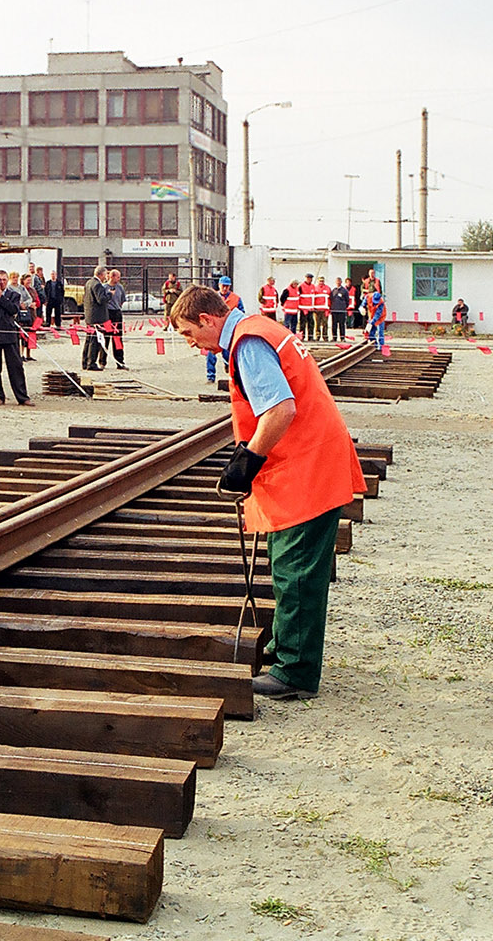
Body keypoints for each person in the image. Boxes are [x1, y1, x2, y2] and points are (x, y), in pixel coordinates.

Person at [169, 285, 365, 700]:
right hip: (309, 460)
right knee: (289, 563)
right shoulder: (260, 329)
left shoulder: (248, 342)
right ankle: (286, 654)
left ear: (207, 319)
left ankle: (294, 672)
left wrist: (247, 461)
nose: (192, 344)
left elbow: (280, 408)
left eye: (189, 334)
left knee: (295, 569)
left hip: (305, 467)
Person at [0, 271, 33, 407]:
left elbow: (13, 310)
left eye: (4, 280)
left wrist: (1, 297)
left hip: (8, 332)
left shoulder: (14, 295)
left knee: (16, 366)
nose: (2, 282)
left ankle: (22, 397)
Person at [204, 277, 245, 383]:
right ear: (219, 285)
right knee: (211, 355)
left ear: (230, 286)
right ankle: (210, 376)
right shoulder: (212, 298)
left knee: (228, 354)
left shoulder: (236, 299)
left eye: (227, 286)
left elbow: (241, 313)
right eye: (223, 286)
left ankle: (229, 368)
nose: (225, 288)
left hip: (229, 331)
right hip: (214, 331)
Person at [81, 265, 111, 372]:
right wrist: (109, 295)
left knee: (88, 340)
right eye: (105, 274)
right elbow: (101, 300)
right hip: (97, 317)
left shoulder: (89, 282)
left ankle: (85, 362)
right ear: (101, 274)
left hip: (90, 315)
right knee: (94, 341)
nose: (106, 277)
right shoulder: (97, 285)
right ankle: (91, 363)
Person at [105, 269, 128, 370]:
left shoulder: (120, 287)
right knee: (105, 337)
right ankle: (102, 361)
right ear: (112, 277)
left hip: (117, 313)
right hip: (107, 314)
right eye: (118, 277)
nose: (119, 279)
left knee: (117, 338)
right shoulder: (104, 287)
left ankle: (120, 361)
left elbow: (122, 300)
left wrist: (117, 307)